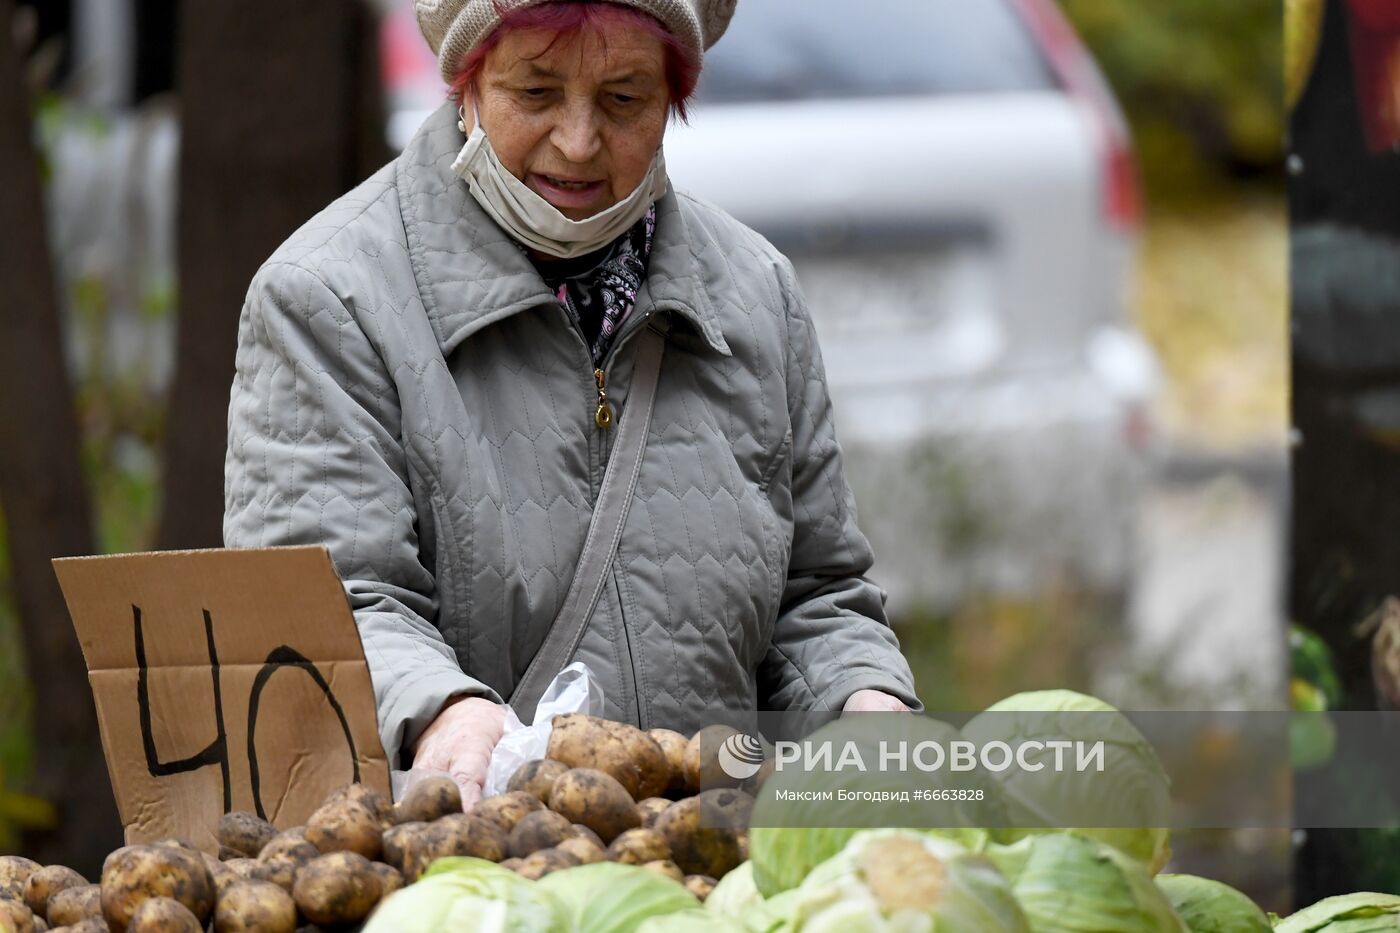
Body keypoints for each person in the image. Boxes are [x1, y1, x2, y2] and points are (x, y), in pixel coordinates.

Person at [224, 0, 921, 807]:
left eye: (625, 100)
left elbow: (817, 596)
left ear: (674, 97)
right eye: (536, 93)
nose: (579, 142)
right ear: (469, 82)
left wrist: (864, 701)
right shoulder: (327, 299)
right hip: (464, 878)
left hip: (710, 871)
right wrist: (443, 714)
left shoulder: (757, 296)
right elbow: (328, 606)